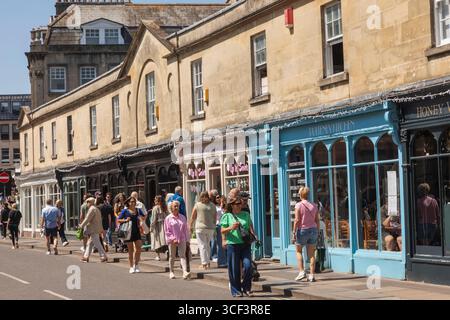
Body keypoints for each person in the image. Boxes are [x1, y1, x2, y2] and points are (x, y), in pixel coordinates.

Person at [221, 193, 255, 298]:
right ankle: (236, 290)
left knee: (248, 266)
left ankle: (246, 288)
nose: (239, 205)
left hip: (245, 244)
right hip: (233, 244)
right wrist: (231, 228)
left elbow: (250, 227)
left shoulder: (246, 214)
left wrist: (254, 236)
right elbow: (222, 230)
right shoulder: (227, 216)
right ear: (232, 205)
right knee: (234, 269)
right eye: (237, 203)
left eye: (240, 203)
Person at [293, 187, 320, 283]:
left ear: (300, 194)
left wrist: (293, 232)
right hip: (313, 230)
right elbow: (317, 220)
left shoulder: (298, 205)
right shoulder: (314, 205)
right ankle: (311, 275)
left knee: (298, 251)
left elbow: (296, 220)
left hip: (302, 231)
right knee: (311, 253)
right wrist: (317, 231)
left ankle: (301, 272)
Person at [117, 196, 145, 274]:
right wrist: (125, 220)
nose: (133, 203)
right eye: (131, 201)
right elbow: (118, 220)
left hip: (137, 231)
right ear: (128, 203)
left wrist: (141, 220)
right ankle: (131, 266)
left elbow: (144, 216)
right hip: (128, 232)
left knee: (139, 248)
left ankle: (136, 265)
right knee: (130, 250)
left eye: (134, 201)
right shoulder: (125, 211)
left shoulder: (138, 210)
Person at [165, 201, 191, 280]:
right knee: (172, 256)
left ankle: (184, 272)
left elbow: (185, 230)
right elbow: (167, 231)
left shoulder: (183, 217)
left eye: (177, 206)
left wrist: (187, 240)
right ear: (171, 208)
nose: (176, 208)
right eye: (175, 206)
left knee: (182, 255)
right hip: (172, 240)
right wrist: (173, 239)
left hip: (182, 238)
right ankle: (171, 272)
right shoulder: (168, 218)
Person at [190, 191, 216, 270]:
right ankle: (208, 263)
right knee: (207, 245)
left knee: (202, 246)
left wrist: (190, 226)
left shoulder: (197, 205)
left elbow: (193, 216)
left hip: (200, 228)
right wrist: (214, 226)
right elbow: (215, 217)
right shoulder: (212, 205)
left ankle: (204, 263)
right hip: (210, 228)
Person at [79, 198, 108, 263]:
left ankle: (104, 256)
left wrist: (81, 225)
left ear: (91, 202)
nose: (87, 204)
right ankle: (86, 257)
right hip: (96, 228)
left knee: (97, 243)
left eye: (87, 202)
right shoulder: (96, 209)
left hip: (93, 229)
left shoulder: (92, 209)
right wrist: (101, 229)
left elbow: (87, 218)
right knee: (89, 243)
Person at [210, 190, 227, 267]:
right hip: (218, 225)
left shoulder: (224, 207)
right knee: (220, 245)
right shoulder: (214, 207)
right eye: (217, 197)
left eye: (219, 197)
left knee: (225, 244)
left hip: (226, 226)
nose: (218, 198)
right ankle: (221, 262)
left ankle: (224, 260)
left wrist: (223, 204)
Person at [150, 195, 169, 261]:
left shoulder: (155, 208)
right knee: (164, 240)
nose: (154, 201)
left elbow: (153, 219)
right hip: (165, 225)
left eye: (155, 200)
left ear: (158, 201)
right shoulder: (165, 207)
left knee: (157, 240)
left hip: (158, 226)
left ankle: (158, 256)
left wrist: (151, 227)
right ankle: (167, 252)